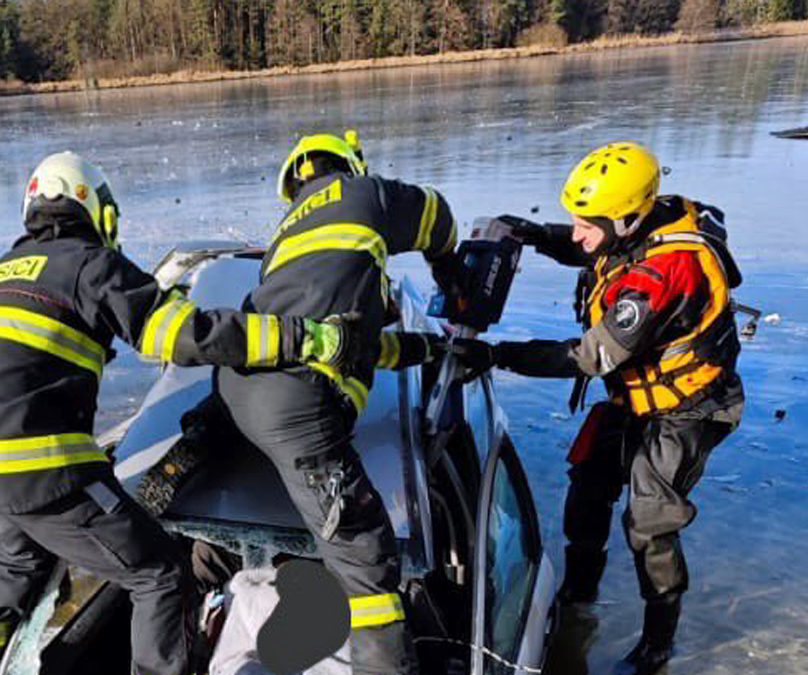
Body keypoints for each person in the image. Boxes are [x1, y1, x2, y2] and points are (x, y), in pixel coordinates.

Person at [0, 151, 380, 675]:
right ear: (97, 212)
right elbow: (187, 335)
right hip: (34, 461)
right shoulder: (86, 263)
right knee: (161, 574)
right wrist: (301, 337)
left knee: (16, 565)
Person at [464, 142, 744, 674]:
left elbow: (593, 355)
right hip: (634, 397)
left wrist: (498, 354)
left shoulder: (667, 273)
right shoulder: (641, 224)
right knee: (587, 488)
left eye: (585, 223)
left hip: (685, 408)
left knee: (649, 523)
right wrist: (533, 234)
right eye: (573, 221)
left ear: (628, 217)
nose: (577, 233)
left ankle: (658, 643)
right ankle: (579, 595)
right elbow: (597, 249)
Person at [213, 130, 464, 675]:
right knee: (368, 566)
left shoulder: (285, 242)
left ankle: (209, 577)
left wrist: (425, 348)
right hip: (299, 411)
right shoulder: (365, 195)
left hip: (239, 391)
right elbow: (439, 219)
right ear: (352, 165)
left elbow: (350, 343)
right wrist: (452, 272)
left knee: (249, 501)